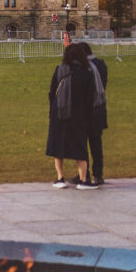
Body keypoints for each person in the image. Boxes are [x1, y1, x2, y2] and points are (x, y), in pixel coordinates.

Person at [46, 42, 97, 189]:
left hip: (59, 112)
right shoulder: (86, 72)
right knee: (79, 146)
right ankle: (83, 180)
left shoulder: (60, 69)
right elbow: (89, 97)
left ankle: (60, 178)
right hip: (78, 113)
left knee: (58, 145)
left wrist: (53, 110)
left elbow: (52, 92)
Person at [67, 43, 107, 186]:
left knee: (83, 143)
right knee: (96, 143)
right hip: (99, 108)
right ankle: (98, 174)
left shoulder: (84, 68)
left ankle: (84, 175)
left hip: (86, 111)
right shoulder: (101, 65)